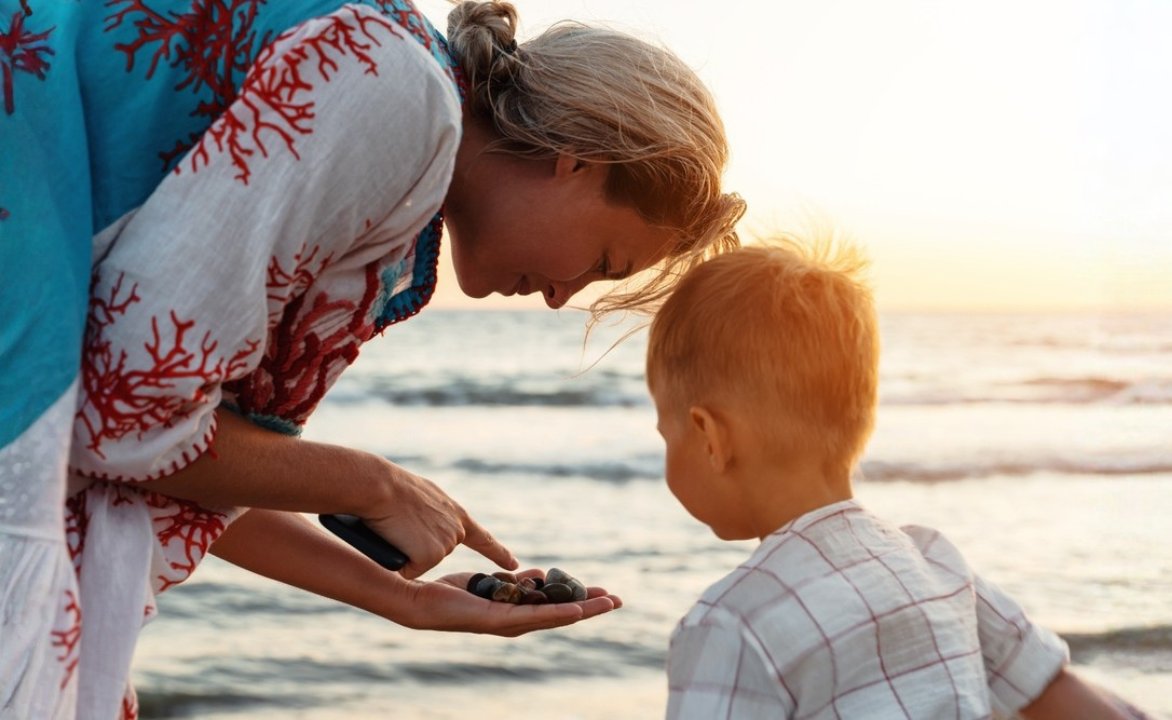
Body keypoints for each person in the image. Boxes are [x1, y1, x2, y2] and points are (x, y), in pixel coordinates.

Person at [0, 0, 745, 717]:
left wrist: (401, 599)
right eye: (605, 261)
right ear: (578, 162)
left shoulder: (399, 148)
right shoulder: (397, 97)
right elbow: (124, 418)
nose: (562, 298)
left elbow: (159, 457)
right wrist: (371, 483)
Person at [645, 239, 1152, 719]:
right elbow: (1062, 696)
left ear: (710, 436)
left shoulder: (730, 626)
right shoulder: (936, 563)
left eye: (666, 433)